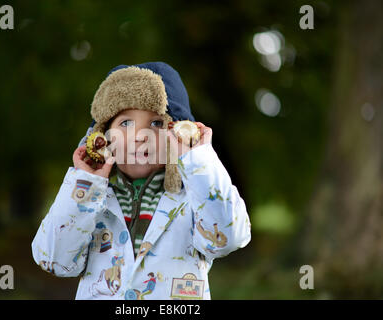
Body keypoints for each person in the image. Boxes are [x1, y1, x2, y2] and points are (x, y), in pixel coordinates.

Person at [31, 61, 251, 300]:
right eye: (125, 123)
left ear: (178, 134)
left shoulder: (194, 202)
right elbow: (54, 259)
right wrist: (84, 182)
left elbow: (230, 237)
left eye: (156, 123)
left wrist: (198, 159)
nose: (138, 136)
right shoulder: (92, 202)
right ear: (103, 137)